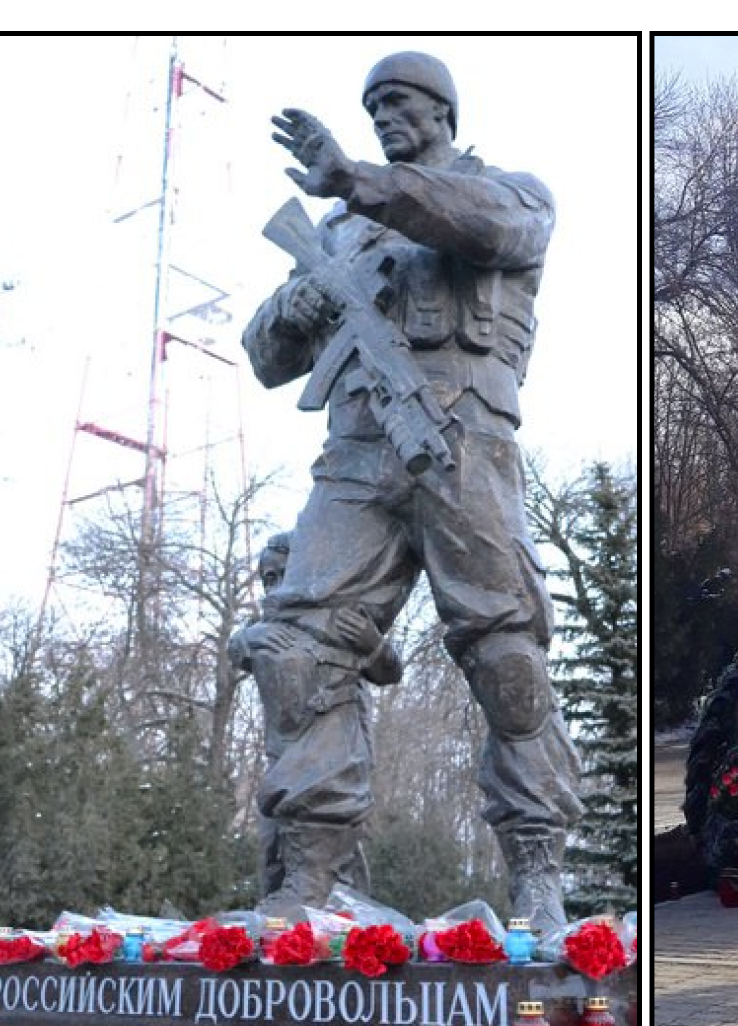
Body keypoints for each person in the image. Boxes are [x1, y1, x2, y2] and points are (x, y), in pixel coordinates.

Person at [240, 52, 583, 932]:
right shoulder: (343, 231)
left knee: (506, 652)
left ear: (443, 111)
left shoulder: (508, 191)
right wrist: (305, 305)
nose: (384, 115)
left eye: (400, 103)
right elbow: (266, 357)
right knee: (295, 648)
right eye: (372, 106)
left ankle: (538, 870)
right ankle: (308, 876)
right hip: (355, 454)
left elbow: (493, 232)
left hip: (462, 442)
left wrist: (358, 181)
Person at [229, 532, 401, 901]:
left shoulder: (336, 613)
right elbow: (236, 648)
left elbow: (389, 672)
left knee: (333, 856)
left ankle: (345, 935)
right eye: (268, 578)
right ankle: (278, 939)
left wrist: (373, 644)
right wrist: (251, 638)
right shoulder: (265, 626)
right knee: (273, 849)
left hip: (335, 751)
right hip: (284, 755)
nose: (274, 586)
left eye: (282, 575)